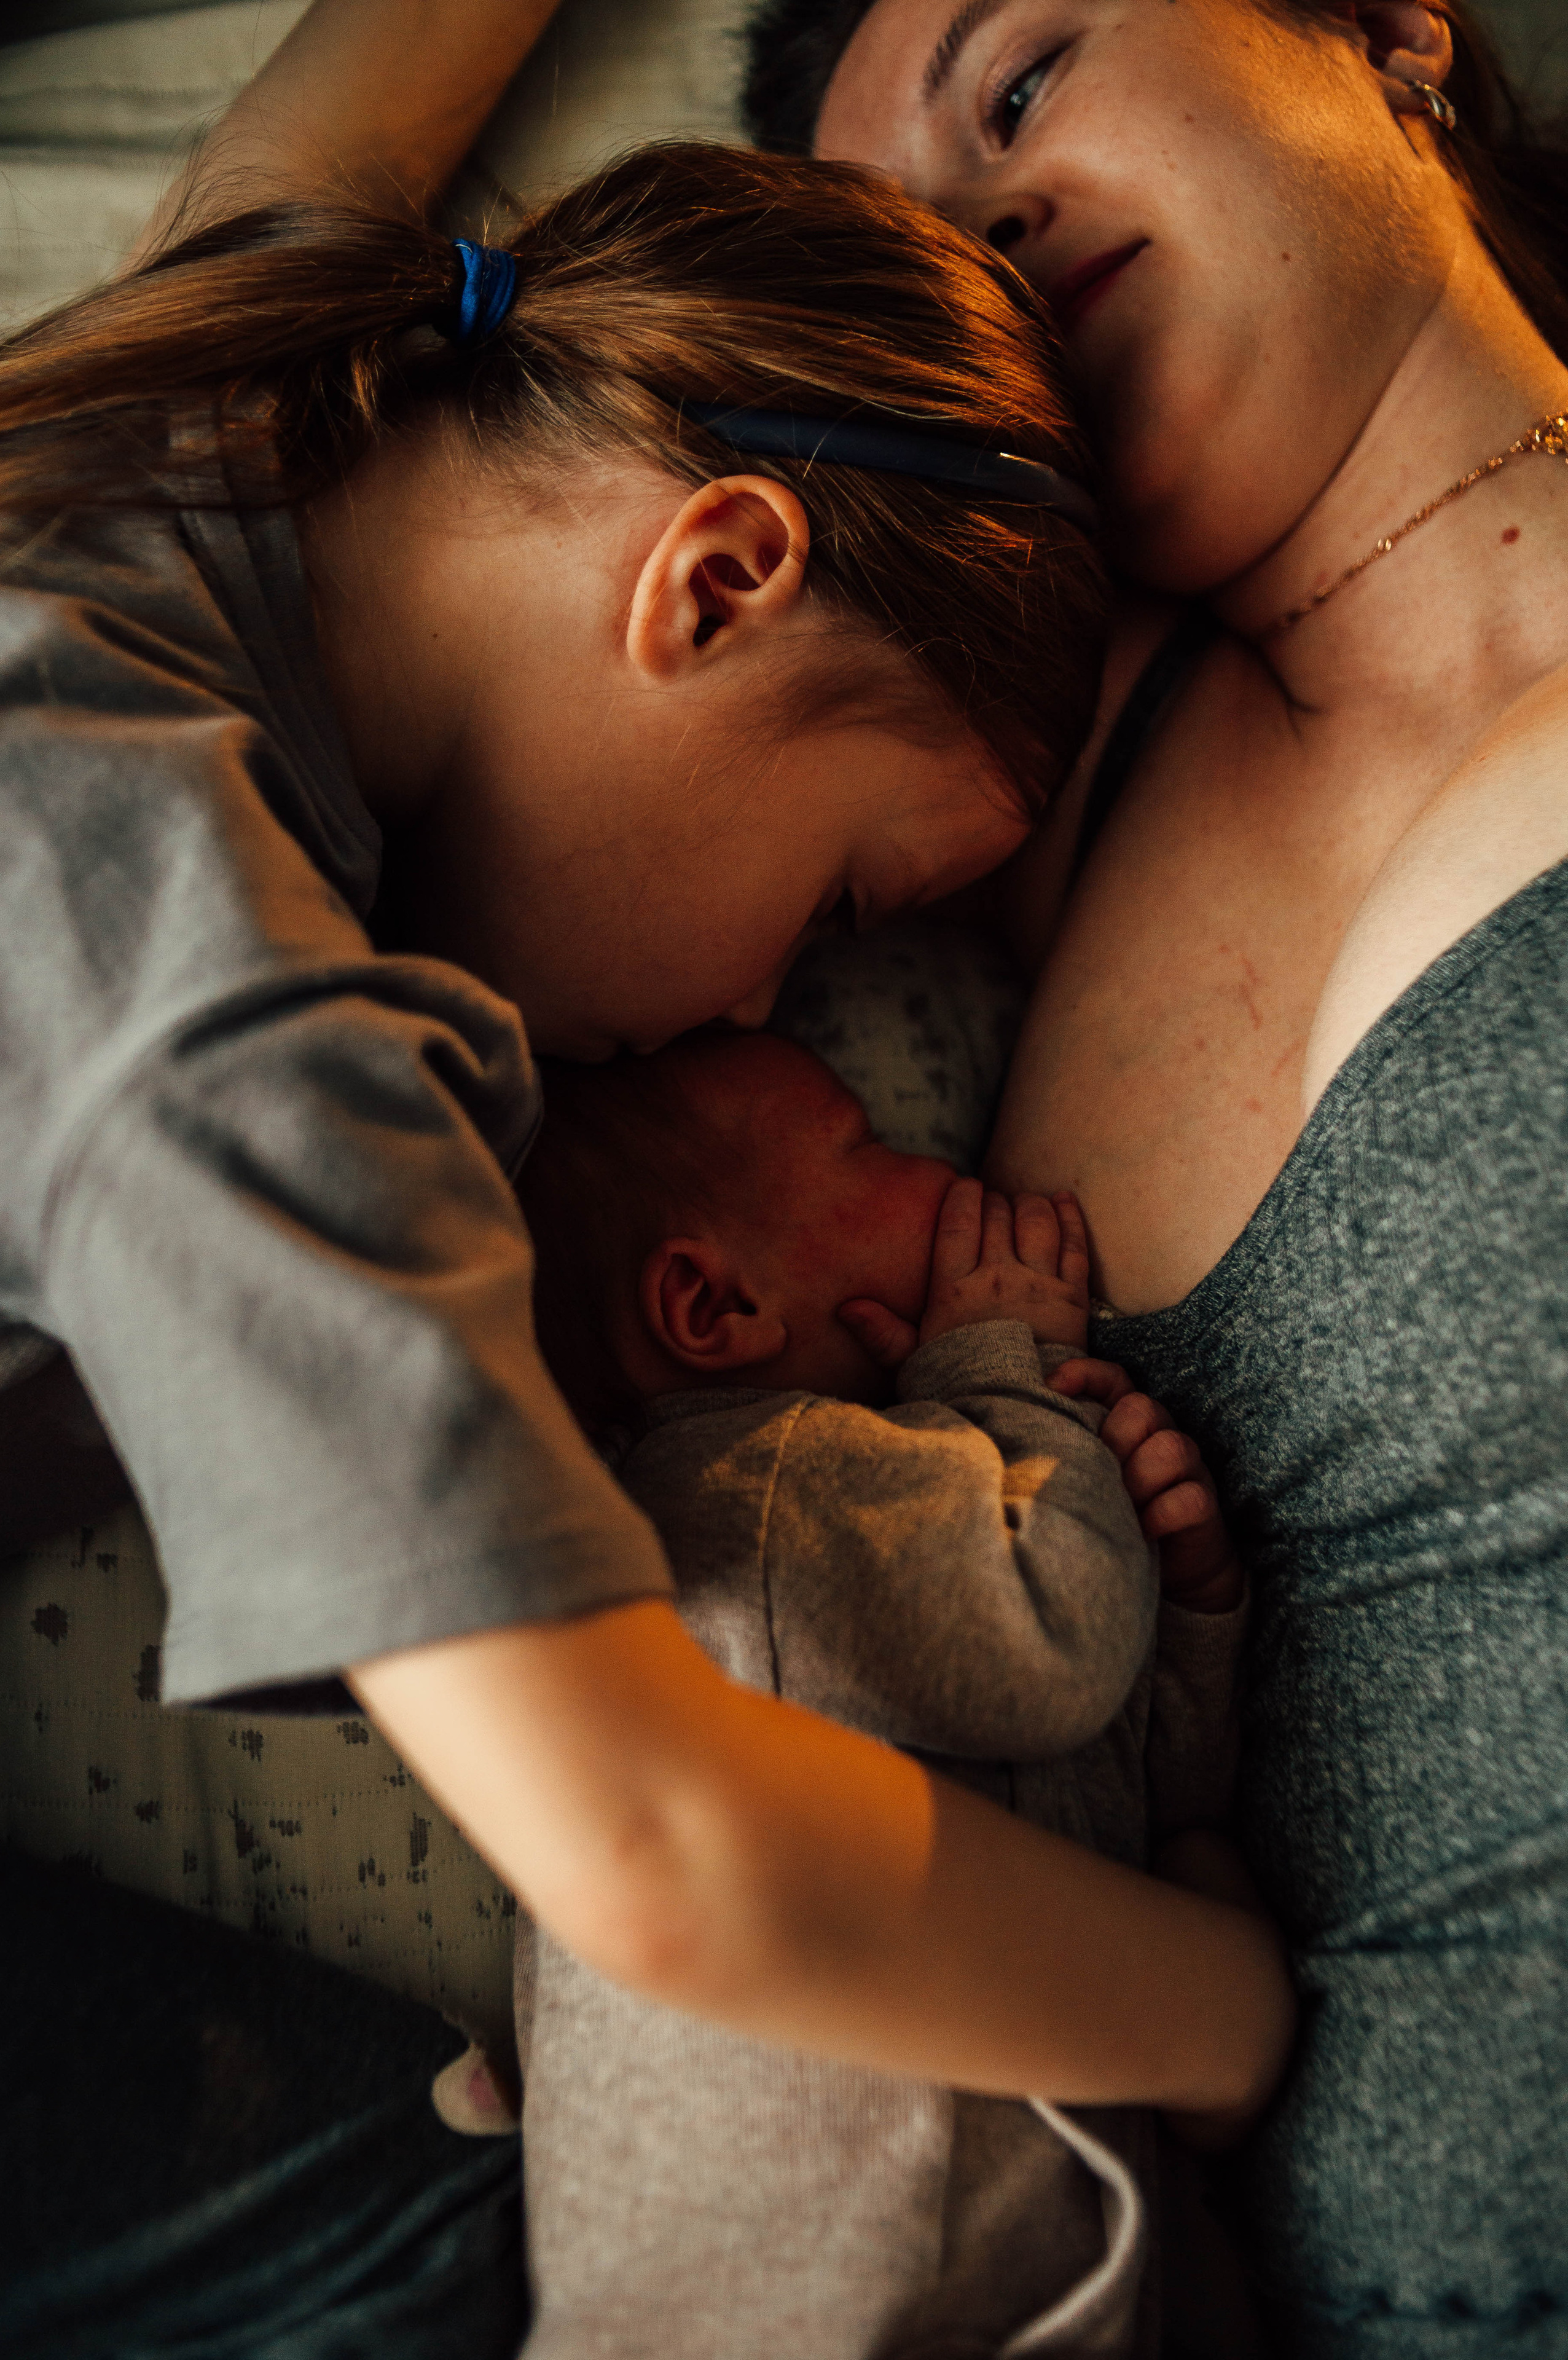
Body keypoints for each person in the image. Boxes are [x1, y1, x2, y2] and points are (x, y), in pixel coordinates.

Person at [0, 81, 1293, 2347]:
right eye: (842, 896)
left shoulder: (227, 383)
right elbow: (665, 1859)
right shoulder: (220, 1016)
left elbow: (350, 94)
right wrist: (1240, 2016)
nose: (779, 998)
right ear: (712, 580)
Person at [736, 0, 1568, 2345]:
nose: (985, 227)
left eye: (1019, 80)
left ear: (1393, 33)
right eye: (911, 261)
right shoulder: (993, 809)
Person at [510, 1026, 1252, 2359]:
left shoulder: (910, 1494)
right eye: (879, 1145)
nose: (947, 1169)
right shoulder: (750, 1496)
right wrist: (1001, 1375)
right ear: (714, 1311)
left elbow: (1113, 1800)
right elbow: (1057, 1650)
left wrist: (1189, 1610)